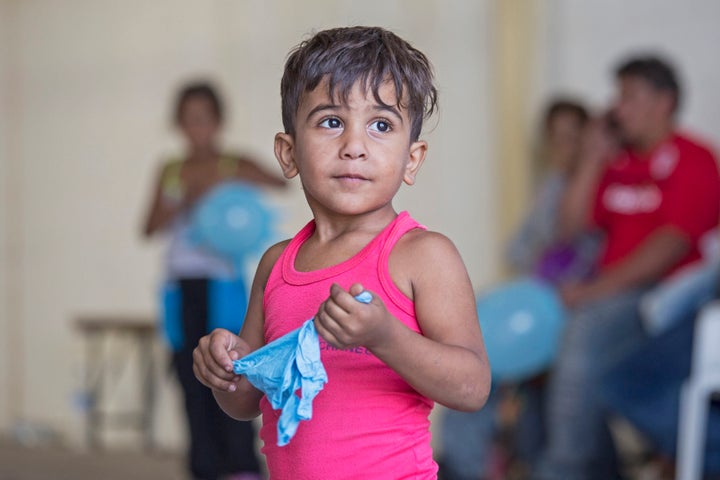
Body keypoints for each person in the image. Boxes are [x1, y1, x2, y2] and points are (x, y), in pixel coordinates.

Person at [191, 26, 491, 479]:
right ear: (288, 153)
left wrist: (385, 337)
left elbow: (471, 387)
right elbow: (245, 402)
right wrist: (226, 368)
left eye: (381, 125)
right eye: (331, 121)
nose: (354, 147)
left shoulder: (423, 256)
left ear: (412, 159)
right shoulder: (276, 265)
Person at [533, 55, 720, 480]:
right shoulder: (618, 163)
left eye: (630, 96)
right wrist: (591, 161)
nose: (618, 108)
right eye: (619, 96)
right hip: (609, 294)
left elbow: (670, 247)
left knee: (581, 344)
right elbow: (569, 230)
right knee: (575, 373)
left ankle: (562, 469)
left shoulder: (696, 158)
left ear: (664, 101)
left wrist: (590, 294)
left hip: (666, 297)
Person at [441, 98, 597, 480]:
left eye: (574, 137)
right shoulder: (552, 187)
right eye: (556, 139)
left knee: (482, 375)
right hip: (536, 304)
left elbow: (576, 247)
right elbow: (519, 248)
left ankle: (470, 465)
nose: (565, 147)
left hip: (565, 306)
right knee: (471, 363)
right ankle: (464, 465)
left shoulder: (599, 186)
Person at [142, 81, 286, 480]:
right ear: (179, 124)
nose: (196, 128)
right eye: (188, 120)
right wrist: (183, 200)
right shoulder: (171, 171)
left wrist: (231, 181)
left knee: (233, 372)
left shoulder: (232, 164)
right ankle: (203, 467)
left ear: (218, 122)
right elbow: (148, 226)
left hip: (223, 286)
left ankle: (241, 465)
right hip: (180, 289)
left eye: (203, 119)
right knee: (189, 376)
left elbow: (282, 182)